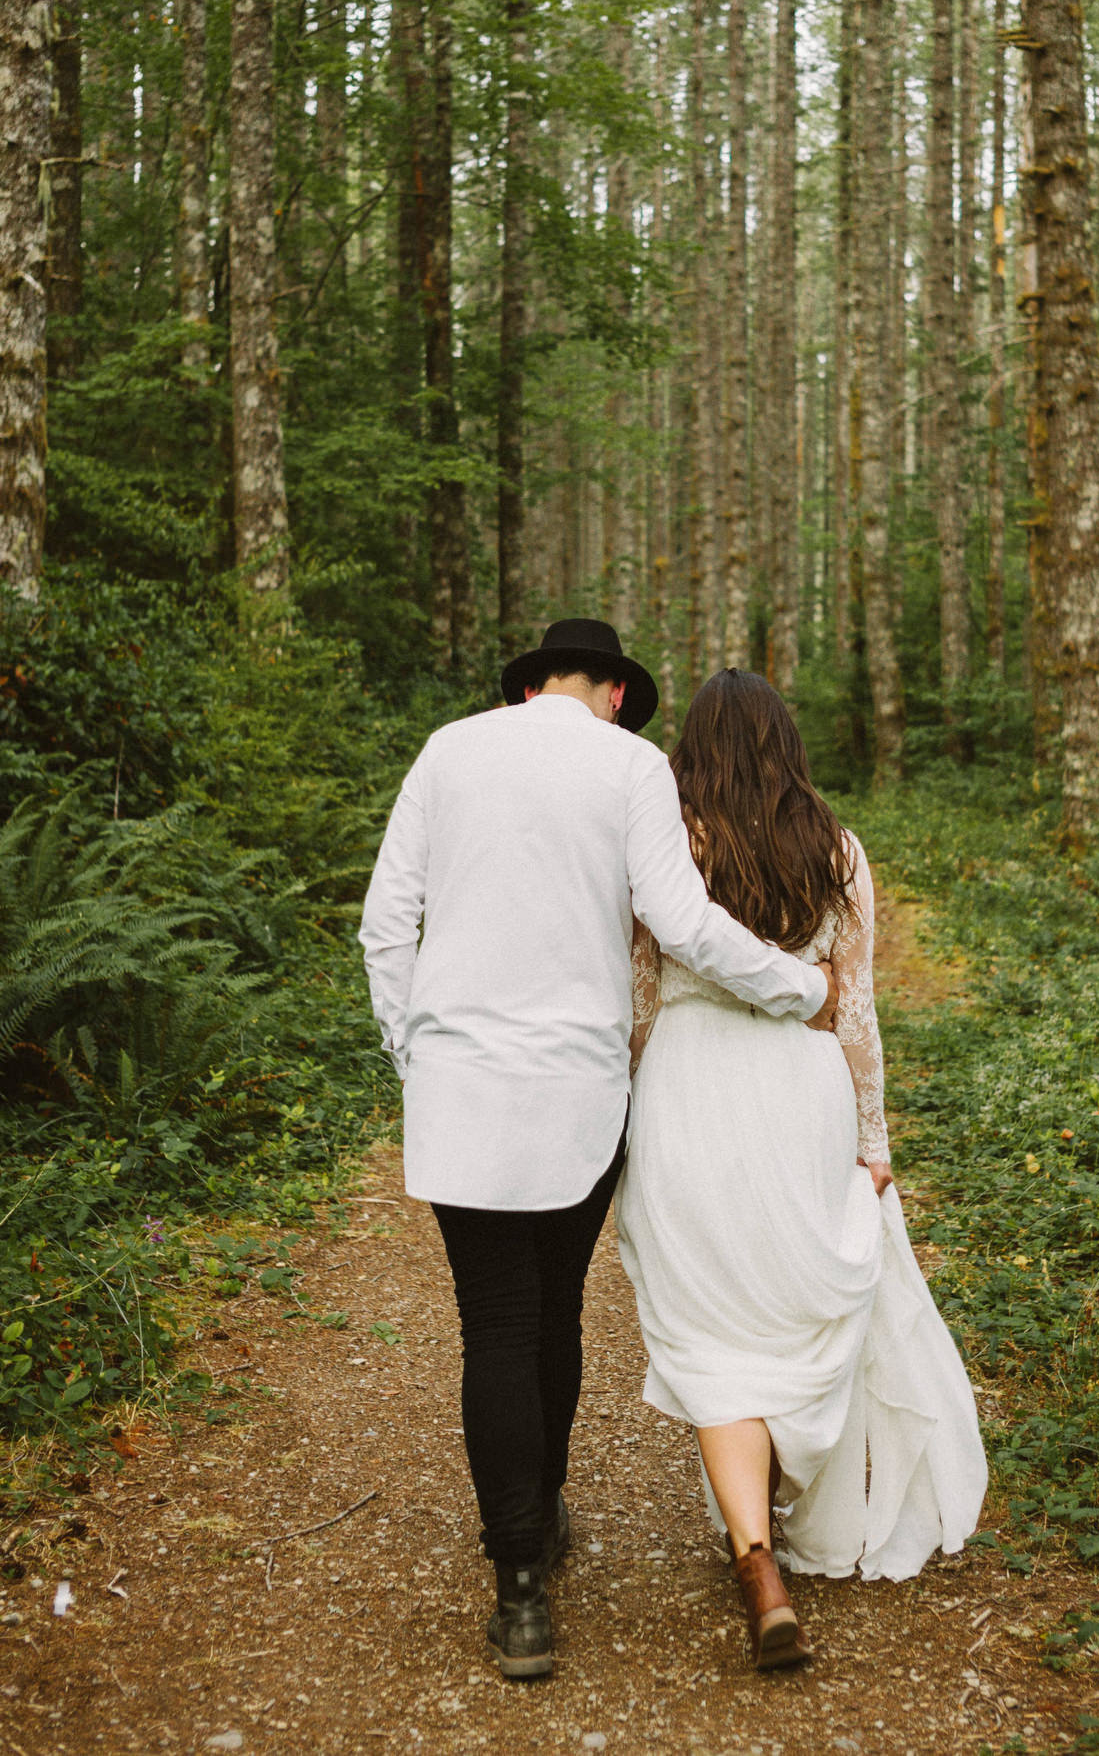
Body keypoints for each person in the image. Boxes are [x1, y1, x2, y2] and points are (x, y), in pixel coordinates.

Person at [357, 621, 840, 1681]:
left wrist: (415, 1053)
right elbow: (679, 923)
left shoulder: (445, 750)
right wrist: (798, 986)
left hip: (459, 1088)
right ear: (616, 694)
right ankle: (542, 1511)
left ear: (528, 686)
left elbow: (386, 925)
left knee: (493, 1323)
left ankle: (521, 1587)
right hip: (577, 1089)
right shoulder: (629, 768)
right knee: (553, 1310)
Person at [615, 669, 988, 1671]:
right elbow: (853, 1012)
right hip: (799, 1091)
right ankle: (779, 1521)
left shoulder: (665, 844)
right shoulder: (835, 849)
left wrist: (623, 1118)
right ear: (787, 745)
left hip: (689, 1088)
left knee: (710, 1335)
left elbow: (642, 1000)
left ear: (689, 747)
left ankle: (755, 1560)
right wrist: (873, 1141)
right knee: (789, 1316)